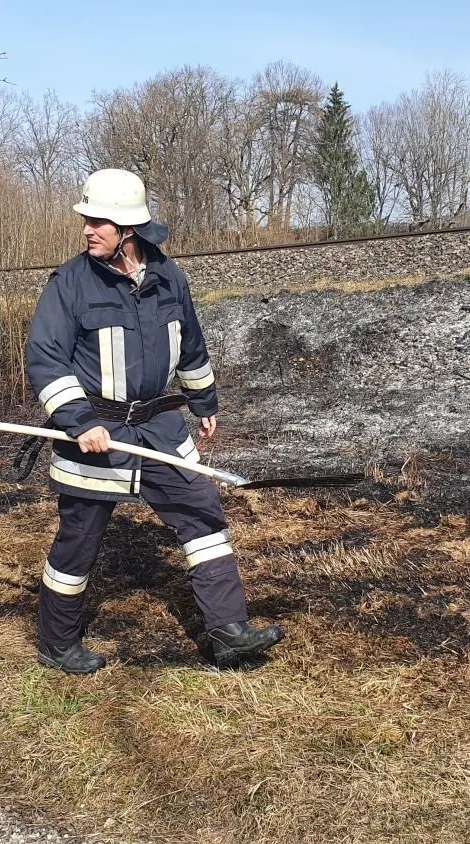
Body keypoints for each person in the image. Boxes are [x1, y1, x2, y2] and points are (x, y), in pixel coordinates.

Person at [23, 168, 284, 675]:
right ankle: (56, 642)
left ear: (129, 231)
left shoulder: (169, 277)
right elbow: (45, 358)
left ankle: (228, 630)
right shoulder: (69, 284)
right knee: (80, 539)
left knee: (203, 513)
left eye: (99, 221)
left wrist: (204, 402)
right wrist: (78, 421)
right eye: (86, 220)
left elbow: (191, 345)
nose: (87, 230)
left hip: (160, 430)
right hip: (96, 432)